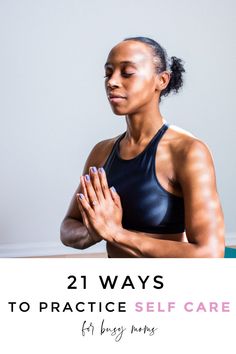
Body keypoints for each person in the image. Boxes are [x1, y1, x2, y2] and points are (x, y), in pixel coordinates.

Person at [60, 36, 225, 257]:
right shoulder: (101, 152)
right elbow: (68, 227)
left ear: (162, 81)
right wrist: (94, 231)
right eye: (108, 73)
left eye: (127, 73)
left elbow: (210, 253)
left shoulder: (188, 152)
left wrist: (117, 234)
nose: (112, 81)